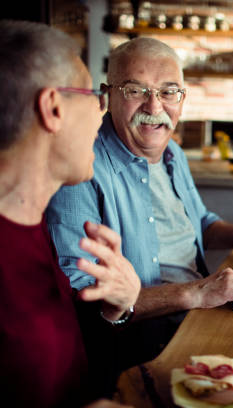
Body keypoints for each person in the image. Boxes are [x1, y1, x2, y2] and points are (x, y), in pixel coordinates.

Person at [45, 37, 233, 368]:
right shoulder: (81, 167)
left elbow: (198, 222)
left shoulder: (172, 152)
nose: (154, 107)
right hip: (144, 345)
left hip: (199, 314)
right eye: (135, 90)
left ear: (182, 98)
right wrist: (196, 293)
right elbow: (86, 299)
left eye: (168, 92)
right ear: (108, 95)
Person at [0, 20, 140, 407]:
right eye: (95, 95)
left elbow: (60, 362)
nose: (102, 112)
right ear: (53, 108)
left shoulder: (35, 224)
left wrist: (116, 309)